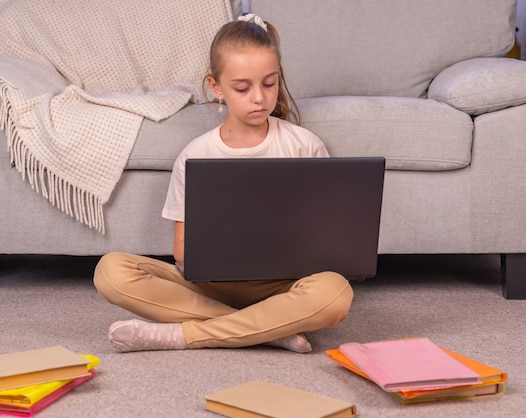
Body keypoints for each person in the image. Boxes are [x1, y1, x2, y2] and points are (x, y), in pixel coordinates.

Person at [93, 14, 353, 353]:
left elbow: (327, 234)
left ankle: (187, 335)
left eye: (270, 84)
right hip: (209, 286)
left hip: (283, 286)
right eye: (243, 88)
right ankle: (269, 328)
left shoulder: (304, 145)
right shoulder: (195, 154)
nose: (259, 98)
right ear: (216, 87)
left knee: (335, 294)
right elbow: (181, 250)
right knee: (111, 271)